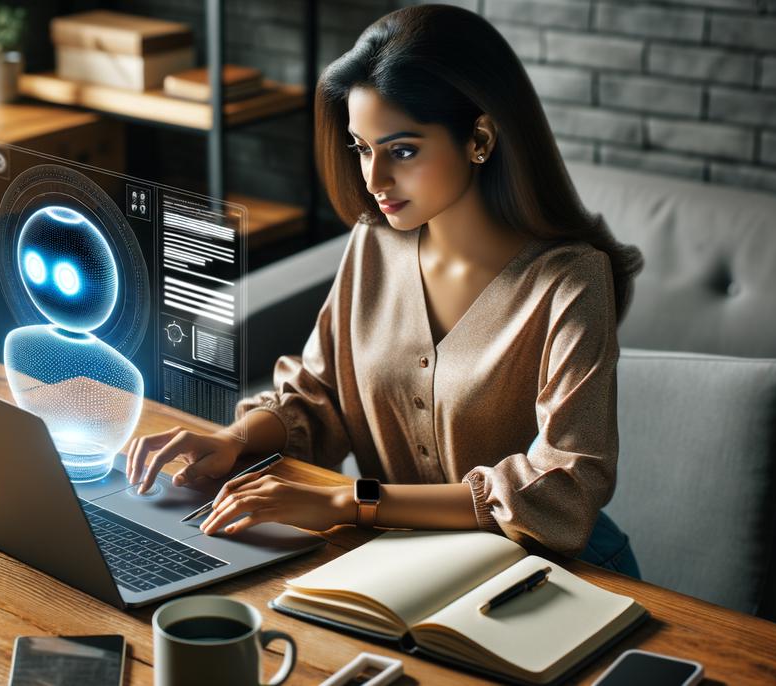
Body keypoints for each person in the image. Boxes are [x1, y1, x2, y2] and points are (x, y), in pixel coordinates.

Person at [123, 5, 643, 576]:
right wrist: (233, 438)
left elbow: (566, 484)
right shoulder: (375, 244)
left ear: (479, 138)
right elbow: (320, 396)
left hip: (551, 573)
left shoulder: (571, 282)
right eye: (362, 148)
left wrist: (350, 501)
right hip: (396, 560)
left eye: (402, 150)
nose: (373, 181)